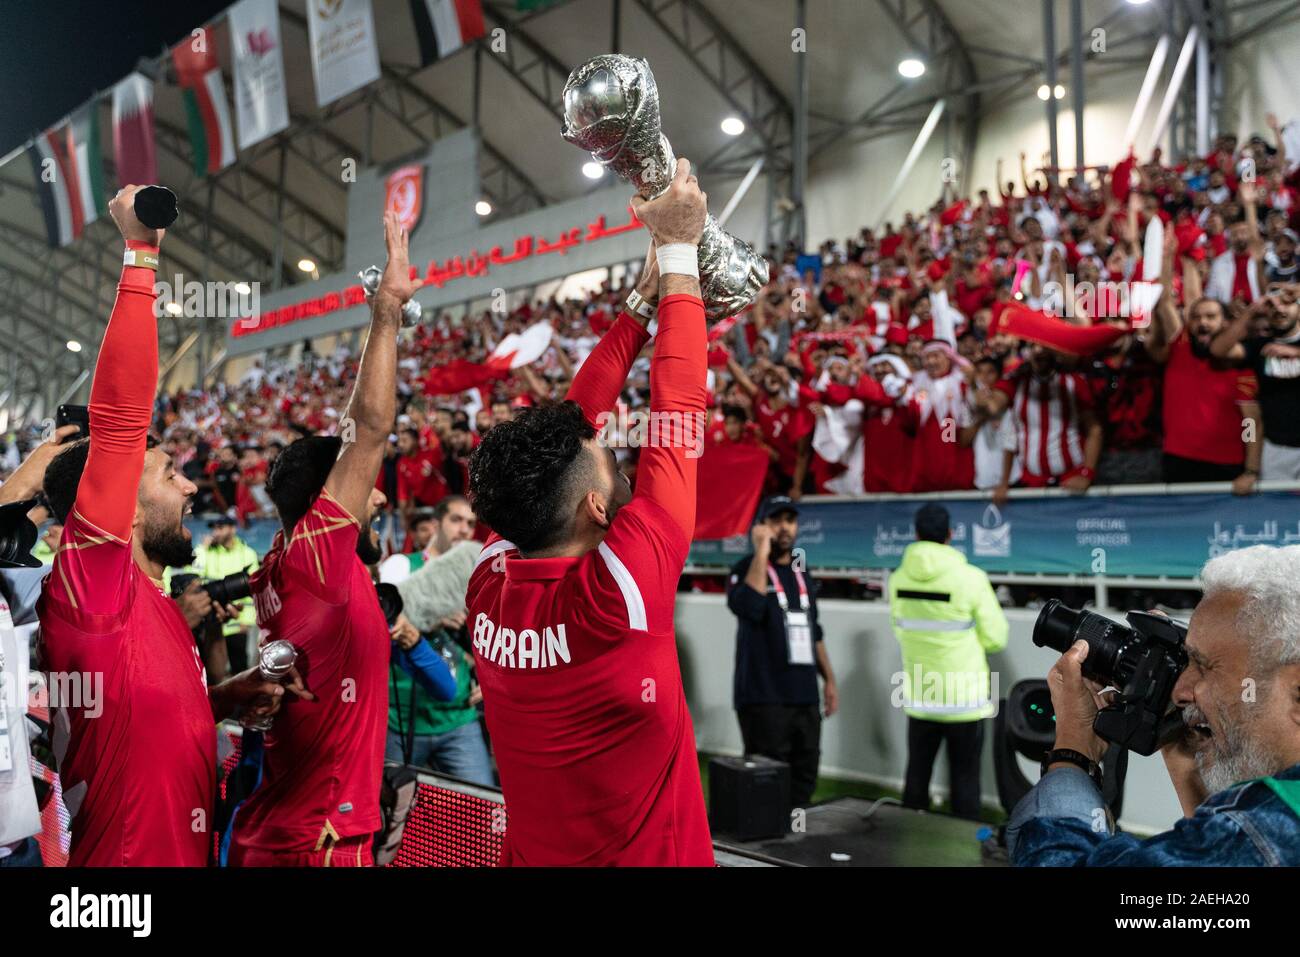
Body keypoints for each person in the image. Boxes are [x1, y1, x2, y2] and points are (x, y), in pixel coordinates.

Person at [36, 186, 303, 866]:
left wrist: (219, 698)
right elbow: (122, 419)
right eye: (168, 474)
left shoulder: (151, 600)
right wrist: (141, 254)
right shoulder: (93, 590)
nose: (189, 485)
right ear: (118, 502)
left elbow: (135, 726)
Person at [465, 159, 713, 865]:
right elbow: (677, 411)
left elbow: (568, 428)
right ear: (597, 508)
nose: (611, 443)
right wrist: (679, 254)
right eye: (608, 454)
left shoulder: (492, 581)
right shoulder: (621, 590)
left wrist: (641, 304)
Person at [228, 211, 413, 867]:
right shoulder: (315, 555)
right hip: (320, 845)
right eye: (368, 488)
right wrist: (385, 312)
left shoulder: (274, 567)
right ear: (323, 506)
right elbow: (368, 428)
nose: (381, 495)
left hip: (275, 828)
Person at [1007, 545, 1300, 865]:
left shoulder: (1264, 835)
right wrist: (1178, 741)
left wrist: (1072, 755)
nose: (1182, 691)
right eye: (1186, 661)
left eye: (1205, 666)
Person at [889, 503, 1007, 819]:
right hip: (964, 700)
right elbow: (997, 637)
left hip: (920, 696)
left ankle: (908, 846)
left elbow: (899, 631)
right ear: (950, 535)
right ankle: (965, 853)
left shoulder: (897, 579)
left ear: (915, 534)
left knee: (916, 777)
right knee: (965, 781)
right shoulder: (971, 578)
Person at [726, 496, 838, 809]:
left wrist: (829, 679)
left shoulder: (803, 573)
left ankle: (795, 847)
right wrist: (761, 551)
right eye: (776, 520)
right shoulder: (744, 569)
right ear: (762, 527)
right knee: (765, 783)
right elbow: (750, 607)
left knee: (804, 778)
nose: (785, 527)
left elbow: (814, 631)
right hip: (764, 697)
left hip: (804, 696)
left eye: (790, 520)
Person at [169, 516, 259, 674]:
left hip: (237, 620)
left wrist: (246, 621)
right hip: (211, 618)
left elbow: (252, 587)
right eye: (214, 528)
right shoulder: (205, 551)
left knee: (240, 668)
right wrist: (202, 550)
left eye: (220, 528)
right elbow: (192, 580)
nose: (215, 532)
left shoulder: (247, 553)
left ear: (232, 528)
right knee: (210, 671)